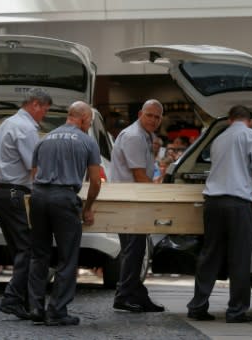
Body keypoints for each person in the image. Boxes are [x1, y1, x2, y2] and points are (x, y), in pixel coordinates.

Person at [186, 105, 252, 323]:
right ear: (249, 120)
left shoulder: (218, 139)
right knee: (239, 258)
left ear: (230, 120)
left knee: (210, 255)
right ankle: (236, 311)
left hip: (213, 203)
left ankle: (197, 306)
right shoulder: (251, 135)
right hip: (238, 203)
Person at [28, 101, 102, 326]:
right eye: (89, 121)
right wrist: (87, 208)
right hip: (64, 199)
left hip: (39, 198)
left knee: (39, 255)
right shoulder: (88, 141)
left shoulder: (44, 139)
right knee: (67, 257)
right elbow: (96, 182)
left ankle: (35, 307)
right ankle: (57, 311)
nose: (89, 125)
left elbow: (33, 174)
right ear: (82, 118)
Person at [0, 87, 53, 320]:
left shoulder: (7, 123)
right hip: (15, 192)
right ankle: (12, 298)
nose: (45, 113)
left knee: (18, 249)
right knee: (29, 248)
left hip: (0, 192)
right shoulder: (26, 129)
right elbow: (33, 167)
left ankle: (22, 299)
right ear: (35, 104)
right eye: (45, 108)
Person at [109, 99, 165, 313]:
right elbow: (139, 175)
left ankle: (137, 294)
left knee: (135, 249)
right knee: (133, 250)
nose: (153, 120)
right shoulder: (134, 136)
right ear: (140, 113)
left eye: (157, 117)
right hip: (130, 199)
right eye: (149, 115)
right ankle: (123, 296)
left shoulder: (144, 135)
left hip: (134, 198)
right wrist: (158, 196)